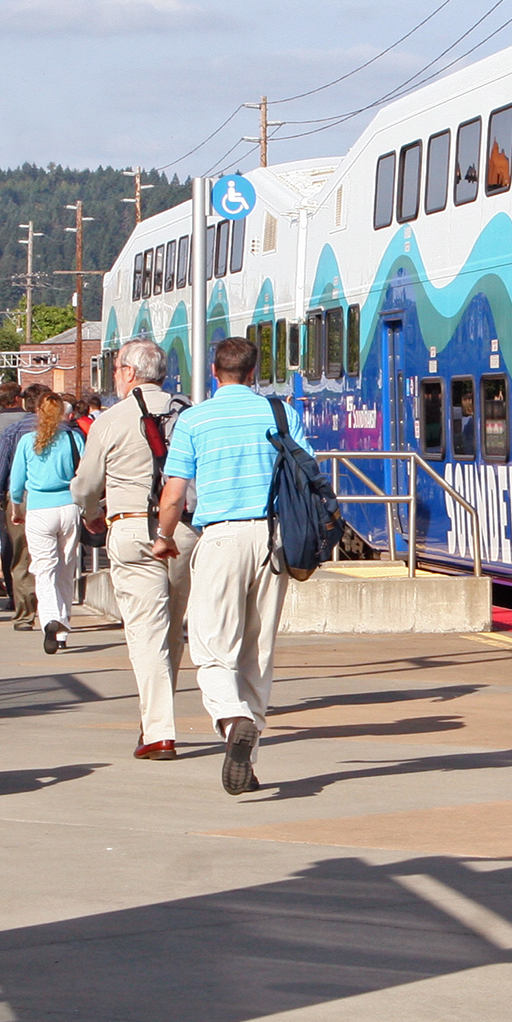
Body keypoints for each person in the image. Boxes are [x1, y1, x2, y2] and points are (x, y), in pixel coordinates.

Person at [151, 336, 304, 795]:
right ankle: (249, 759)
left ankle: (231, 717)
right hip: (273, 537)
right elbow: (305, 474)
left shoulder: (195, 420)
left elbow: (174, 493)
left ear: (215, 373)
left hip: (220, 536)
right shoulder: (281, 415)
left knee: (212, 644)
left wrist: (163, 538)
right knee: (258, 651)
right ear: (253, 373)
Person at [75, 339, 194, 760]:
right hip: (183, 531)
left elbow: (87, 483)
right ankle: (155, 716)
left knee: (146, 630)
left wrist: (91, 512)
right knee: (172, 628)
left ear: (128, 371)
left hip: (131, 529)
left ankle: (159, 730)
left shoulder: (111, 419)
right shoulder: (188, 411)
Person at [11, 394, 86, 654]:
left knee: (44, 570)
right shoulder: (73, 438)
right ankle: (63, 628)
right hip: (69, 507)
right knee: (66, 568)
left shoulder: (26, 441)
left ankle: (50, 618)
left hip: (39, 509)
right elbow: (84, 473)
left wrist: (16, 505)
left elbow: (17, 480)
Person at [0, 384, 42, 628]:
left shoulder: (13, 432)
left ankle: (25, 612)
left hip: (20, 500)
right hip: (60, 500)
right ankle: (55, 612)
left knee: (20, 556)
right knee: (54, 558)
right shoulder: (65, 431)